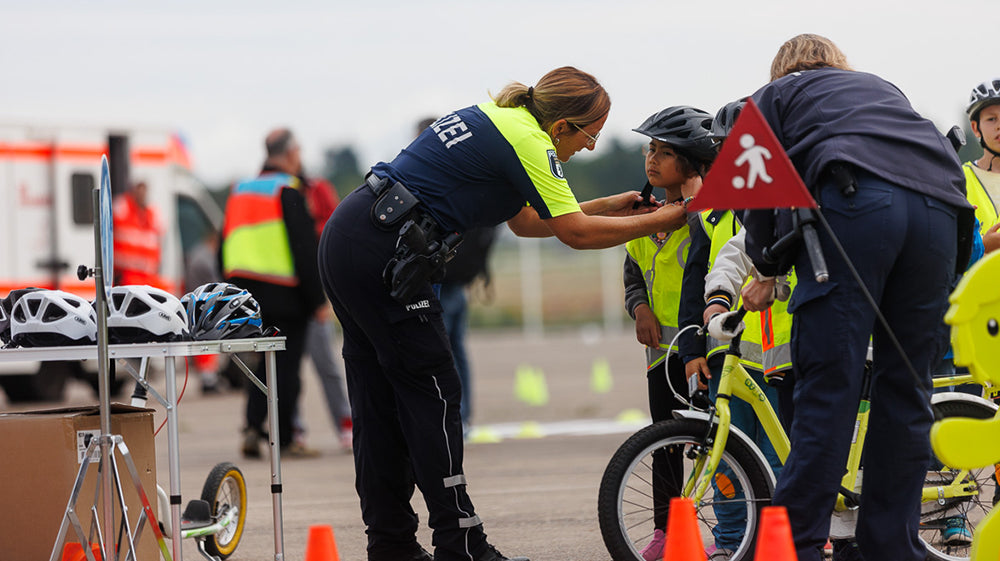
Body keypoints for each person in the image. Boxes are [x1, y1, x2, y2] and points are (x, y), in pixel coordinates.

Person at [317, 66, 689, 561]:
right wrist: (676, 214)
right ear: (562, 127)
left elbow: (530, 222)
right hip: (385, 253)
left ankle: (391, 544)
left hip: (353, 238)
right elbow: (574, 234)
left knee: (379, 403)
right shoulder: (530, 140)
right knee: (435, 394)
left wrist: (611, 207)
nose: (592, 148)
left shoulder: (502, 119)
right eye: (590, 135)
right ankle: (462, 545)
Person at [739, 34, 971, 561]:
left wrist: (769, 265)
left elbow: (755, 192)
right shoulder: (881, 88)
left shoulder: (774, 97)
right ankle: (891, 546)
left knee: (830, 386)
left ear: (781, 69)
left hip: (858, 204)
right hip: (942, 213)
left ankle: (792, 547)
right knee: (908, 389)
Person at [619, 105, 716, 561]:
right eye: (649, 149)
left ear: (694, 160)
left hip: (705, 353)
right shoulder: (645, 218)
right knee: (664, 445)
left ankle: (733, 525)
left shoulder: (706, 218)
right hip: (661, 356)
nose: (652, 159)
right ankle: (666, 529)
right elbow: (633, 273)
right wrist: (638, 307)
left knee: (714, 445)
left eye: (664, 151)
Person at [222, 128, 326, 459]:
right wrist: (319, 299)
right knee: (286, 370)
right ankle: (285, 440)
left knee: (259, 366)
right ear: (289, 153)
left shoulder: (239, 190)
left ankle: (253, 428)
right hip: (285, 295)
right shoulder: (287, 189)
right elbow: (304, 249)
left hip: (244, 295)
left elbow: (224, 243)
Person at [300, 174, 354, 451]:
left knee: (327, 366)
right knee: (288, 370)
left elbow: (333, 226)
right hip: (292, 296)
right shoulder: (283, 191)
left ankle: (346, 422)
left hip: (312, 296)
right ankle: (295, 428)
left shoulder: (315, 187)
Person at [112, 180, 165, 288]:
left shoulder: (152, 215)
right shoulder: (122, 210)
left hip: (148, 280)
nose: (141, 195)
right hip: (127, 279)